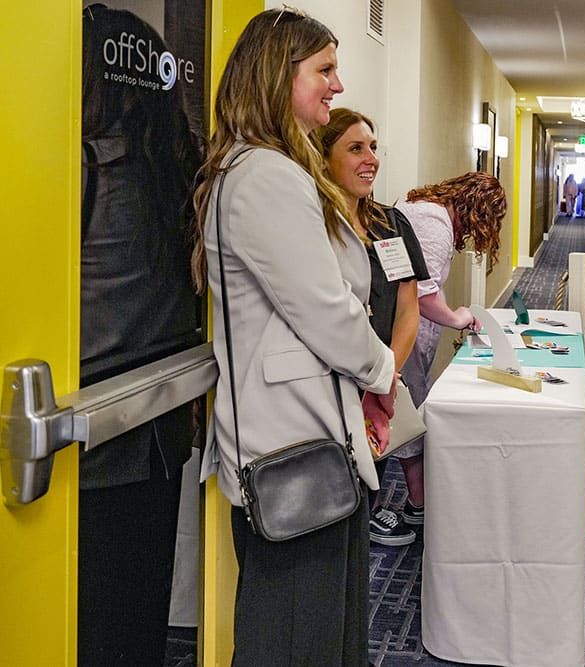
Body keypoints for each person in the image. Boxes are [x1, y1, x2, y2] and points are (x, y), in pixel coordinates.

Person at [190, 9, 395, 665]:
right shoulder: (267, 177)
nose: (338, 85)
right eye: (324, 70)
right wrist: (384, 370)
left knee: (316, 637)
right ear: (279, 76)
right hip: (293, 451)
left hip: (305, 442)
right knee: (297, 641)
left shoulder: (268, 169)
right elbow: (327, 312)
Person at [79, 6, 202, 665]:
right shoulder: (181, 175)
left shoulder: (77, 173)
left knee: (82, 623)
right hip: (159, 430)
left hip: (82, 438)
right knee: (137, 616)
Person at [317, 108, 430, 547]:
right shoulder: (313, 227)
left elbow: (408, 309)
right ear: (324, 157)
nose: (371, 159)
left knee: (368, 489)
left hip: (378, 391)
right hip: (328, 390)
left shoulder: (391, 224)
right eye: (355, 148)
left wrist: (386, 374)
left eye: (373, 148)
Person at [397, 172, 507, 522]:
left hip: (407, 323)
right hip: (404, 327)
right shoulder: (434, 224)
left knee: (410, 403)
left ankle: (419, 497)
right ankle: (418, 503)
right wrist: (456, 318)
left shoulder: (425, 208)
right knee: (410, 408)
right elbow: (422, 293)